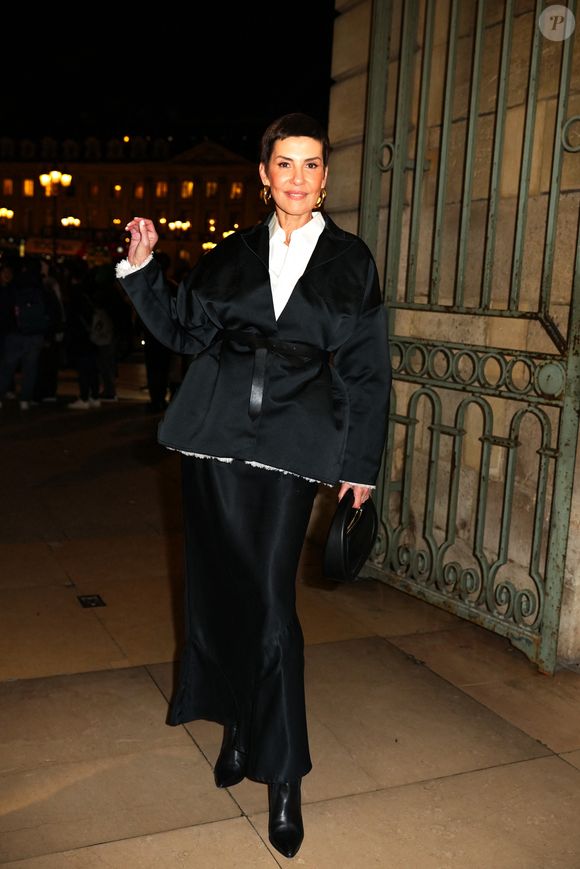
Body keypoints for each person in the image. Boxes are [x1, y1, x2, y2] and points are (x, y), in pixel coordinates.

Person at [116, 113, 391, 859]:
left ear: (326, 177)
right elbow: (183, 331)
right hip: (213, 446)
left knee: (271, 605)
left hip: (296, 451)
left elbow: (368, 372)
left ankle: (285, 775)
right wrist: (143, 270)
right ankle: (238, 726)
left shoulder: (351, 261)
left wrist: (360, 467)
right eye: (284, 164)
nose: (298, 177)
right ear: (263, 176)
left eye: (311, 164)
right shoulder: (230, 254)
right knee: (226, 593)